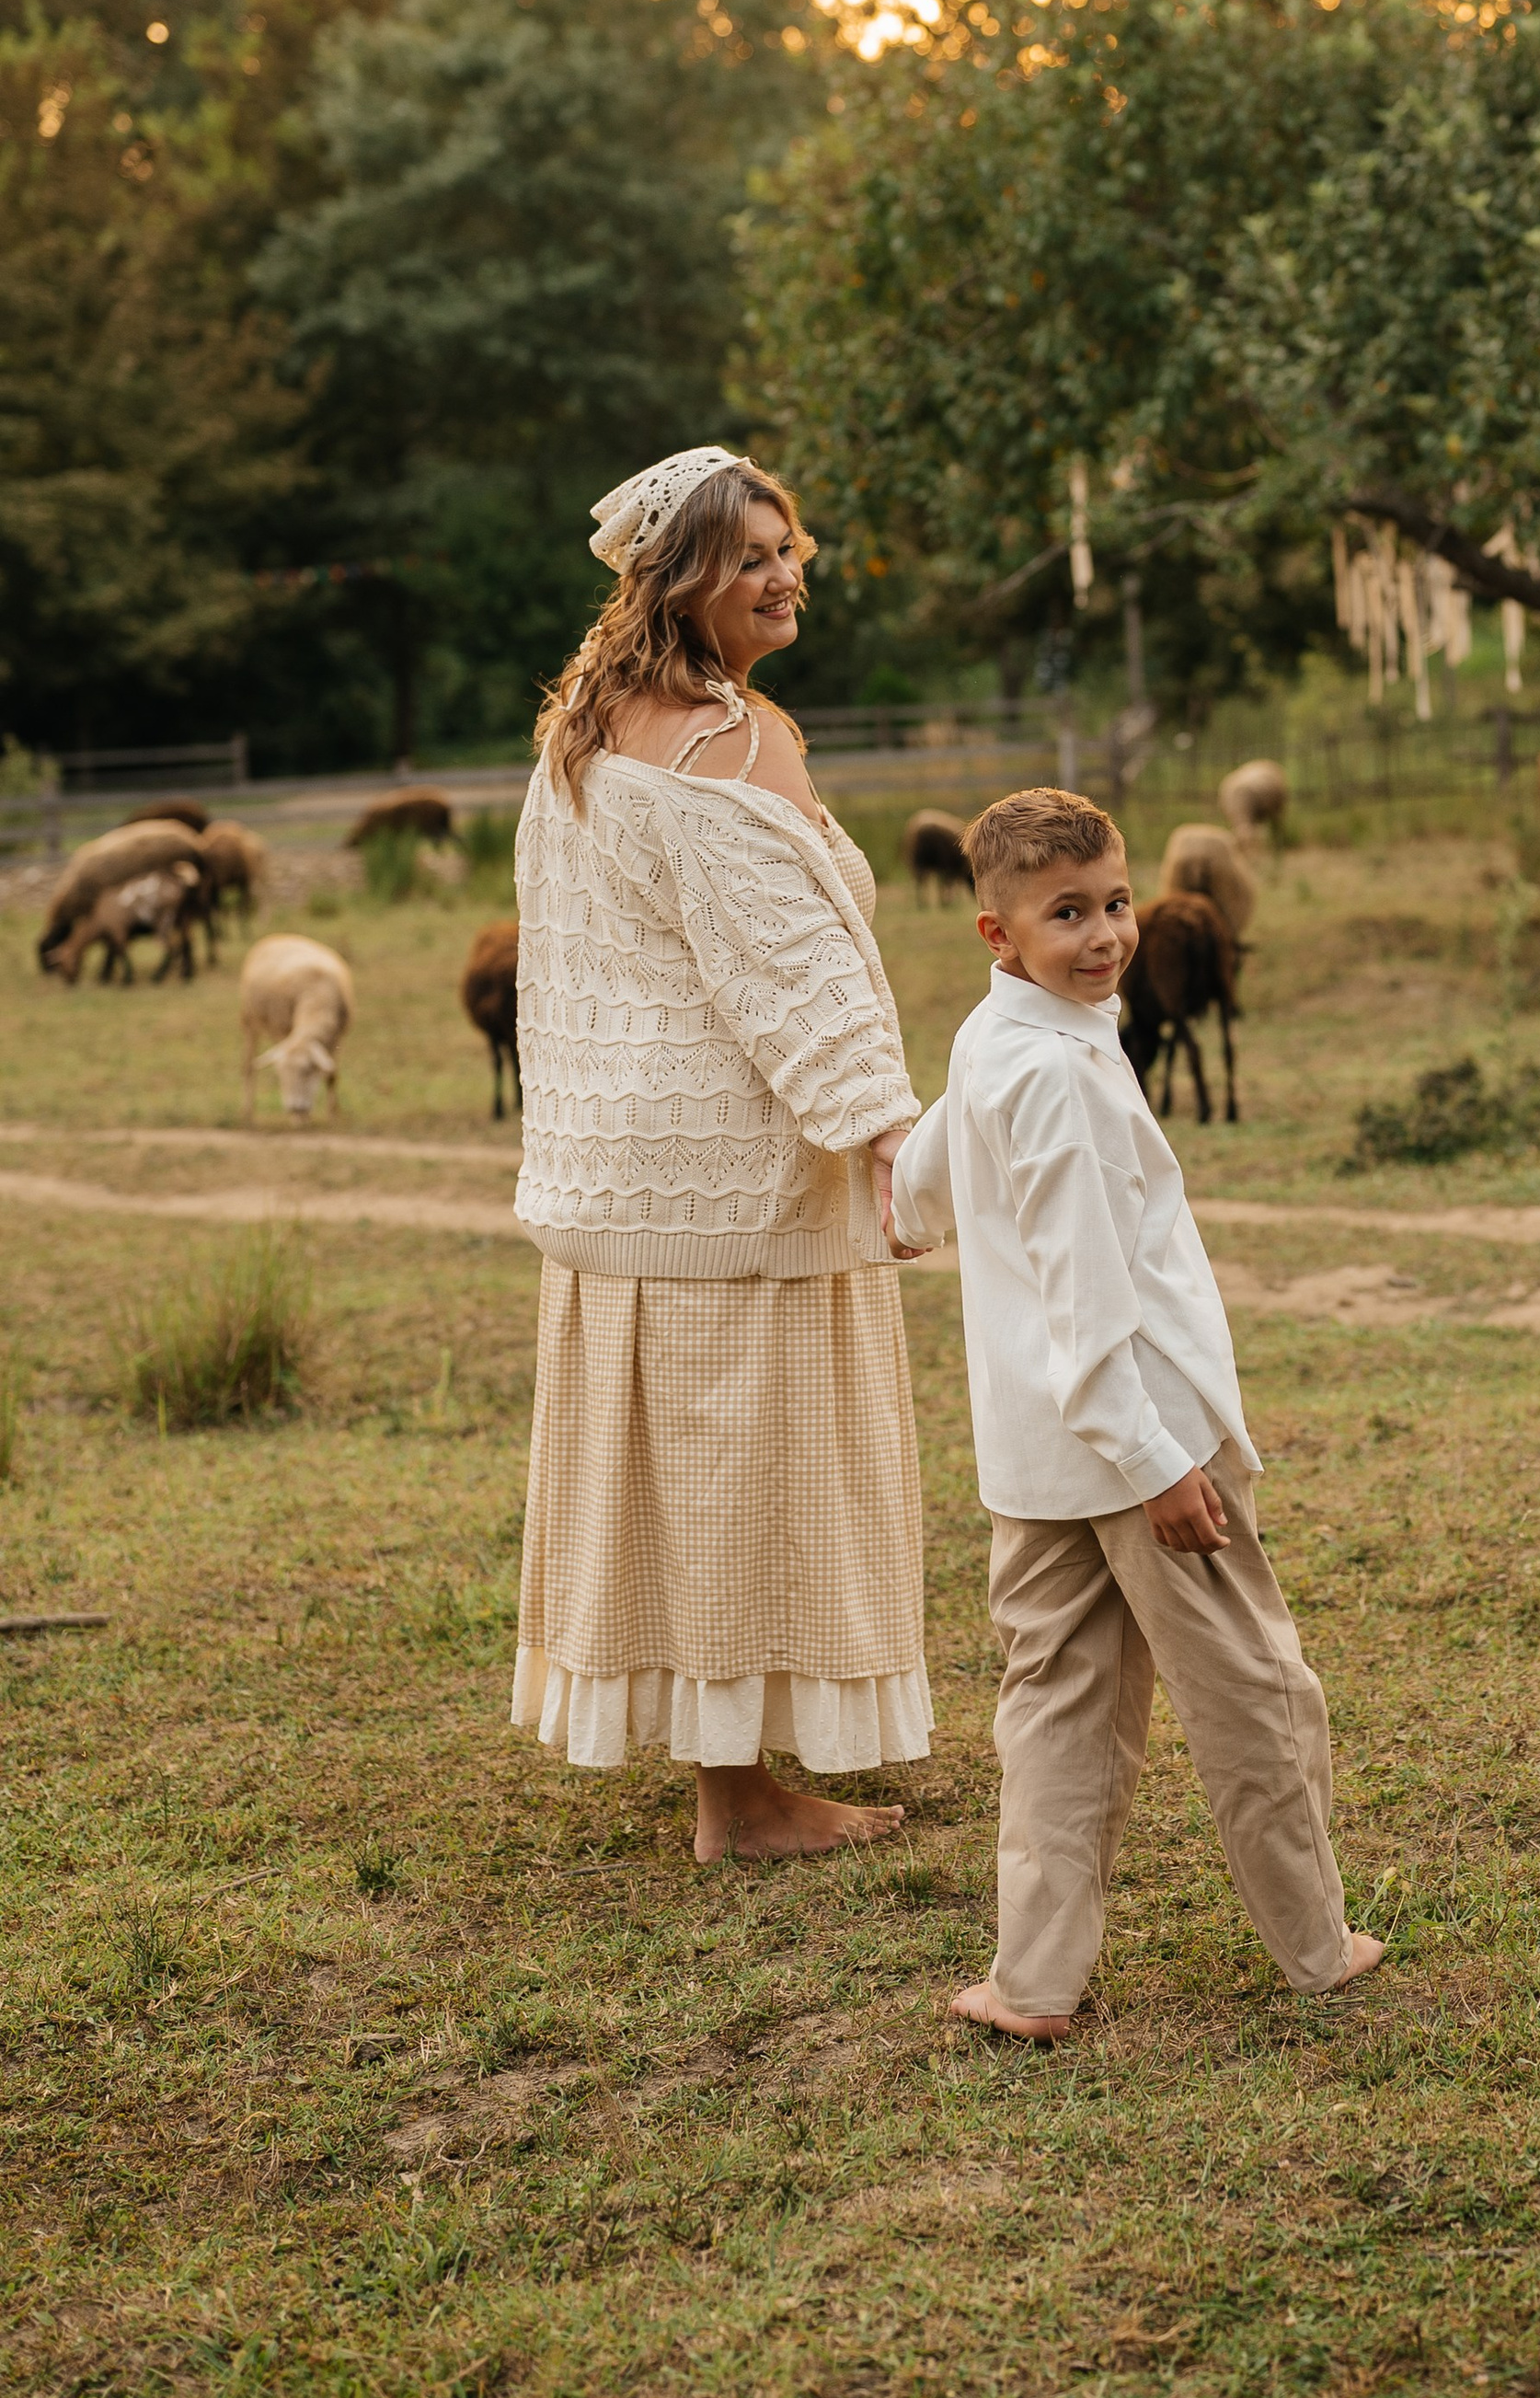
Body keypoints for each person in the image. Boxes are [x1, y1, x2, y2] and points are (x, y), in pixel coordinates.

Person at [891, 786, 1385, 2036]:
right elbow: (1088, 1292)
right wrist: (1163, 1464)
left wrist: (908, 1210)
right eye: (1067, 915)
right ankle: (1315, 1945)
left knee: (1054, 1708)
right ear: (999, 935)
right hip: (1139, 1444)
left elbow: (944, 1149)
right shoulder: (1061, 1074)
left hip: (1034, 1458)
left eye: (1114, 903)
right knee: (1253, 1695)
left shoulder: (1006, 1034)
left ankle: (1035, 1980)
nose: (1105, 935)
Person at [509, 444, 930, 1862]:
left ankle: (728, 1777)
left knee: (690, 1485)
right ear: (680, 578)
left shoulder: (591, 717)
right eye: (750, 555)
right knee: (747, 1480)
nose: (783, 573)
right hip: (735, 1172)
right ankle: (743, 1803)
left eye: (787, 546)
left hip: (630, 1175)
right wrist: (890, 1130)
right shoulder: (732, 741)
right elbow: (791, 969)